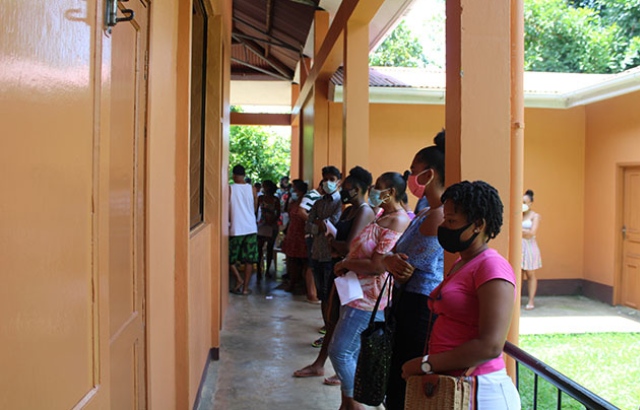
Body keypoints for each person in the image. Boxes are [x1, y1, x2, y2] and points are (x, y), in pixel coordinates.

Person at [401, 181, 521, 409]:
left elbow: (491, 346)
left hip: (481, 390)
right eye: (446, 219)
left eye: (452, 221)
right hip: (455, 384)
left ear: (478, 224)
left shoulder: (492, 267)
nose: (444, 226)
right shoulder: (462, 262)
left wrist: (425, 364)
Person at [329, 172, 411, 410]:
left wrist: (345, 263)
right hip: (355, 292)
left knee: (340, 352)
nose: (374, 190)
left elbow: (377, 266)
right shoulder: (382, 215)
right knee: (350, 352)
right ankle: (348, 404)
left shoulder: (398, 221)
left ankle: (357, 404)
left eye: (379, 187)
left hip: (368, 299)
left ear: (391, 192)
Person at [293, 166, 376, 385]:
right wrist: (334, 245)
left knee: (343, 324)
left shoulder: (365, 211)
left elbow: (348, 246)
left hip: (350, 273)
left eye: (347, 188)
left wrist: (333, 244)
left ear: (357, 189)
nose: (343, 191)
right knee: (332, 319)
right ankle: (320, 364)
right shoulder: (349, 210)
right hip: (339, 268)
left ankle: (344, 371)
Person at [382, 134, 446, 409]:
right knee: (398, 379)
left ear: (429, 174)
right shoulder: (423, 213)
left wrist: (389, 260)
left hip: (420, 308)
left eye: (413, 171)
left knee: (405, 383)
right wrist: (388, 260)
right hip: (407, 303)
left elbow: (405, 266)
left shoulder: (437, 215)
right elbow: (392, 258)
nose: (410, 177)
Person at [306, 166, 343, 345]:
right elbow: (309, 225)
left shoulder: (341, 203)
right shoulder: (318, 203)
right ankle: (327, 330)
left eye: (332, 179)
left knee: (331, 297)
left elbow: (333, 224)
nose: (328, 182)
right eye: (325, 178)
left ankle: (333, 334)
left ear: (339, 181)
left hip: (331, 255)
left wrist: (321, 224)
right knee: (322, 296)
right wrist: (322, 225)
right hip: (317, 253)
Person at [229, 165, 258, 295]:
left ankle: (238, 279)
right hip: (251, 227)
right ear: (244, 175)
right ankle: (245, 288)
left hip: (236, 228)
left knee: (229, 258)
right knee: (249, 260)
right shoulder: (252, 189)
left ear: (234, 175)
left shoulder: (230, 189)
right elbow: (256, 206)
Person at [282, 180, 309, 293]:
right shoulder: (294, 201)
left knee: (303, 260)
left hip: (301, 234)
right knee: (292, 260)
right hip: (292, 233)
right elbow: (286, 211)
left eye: (294, 188)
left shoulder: (306, 202)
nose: (292, 190)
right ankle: (293, 282)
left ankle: (304, 285)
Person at [299, 182, 323, 303]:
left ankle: (315, 292)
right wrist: (316, 222)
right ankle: (311, 294)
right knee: (312, 264)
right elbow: (301, 211)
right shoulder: (312, 195)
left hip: (319, 234)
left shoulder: (325, 198)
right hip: (313, 234)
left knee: (316, 263)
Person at [257, 180, 281, 280]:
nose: (263, 188)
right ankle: (259, 270)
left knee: (270, 248)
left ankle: (267, 271)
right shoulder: (260, 198)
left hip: (271, 225)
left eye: (265, 186)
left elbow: (278, 213)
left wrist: (272, 221)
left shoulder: (276, 199)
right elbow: (255, 210)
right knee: (259, 249)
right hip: (262, 225)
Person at [522, 189, 542, 310]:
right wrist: (525, 232)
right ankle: (516, 300)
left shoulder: (535, 216)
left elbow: (532, 233)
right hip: (519, 247)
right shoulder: (518, 215)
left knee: (530, 274)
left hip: (529, 247)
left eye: (524, 202)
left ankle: (531, 301)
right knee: (517, 274)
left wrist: (521, 231)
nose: (522, 204)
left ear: (530, 203)